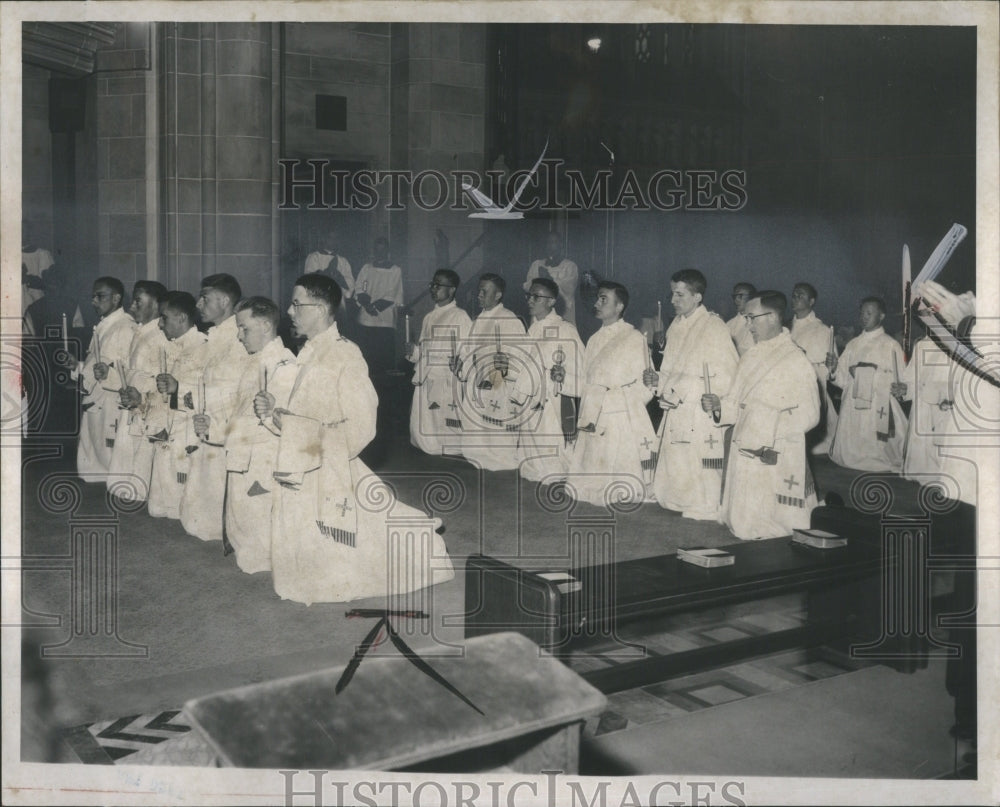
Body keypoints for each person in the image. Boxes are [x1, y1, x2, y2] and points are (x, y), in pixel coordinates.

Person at [259, 274, 455, 604]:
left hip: (329, 465)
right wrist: (275, 415)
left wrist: (310, 441)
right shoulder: (307, 352)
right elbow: (303, 413)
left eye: (296, 304)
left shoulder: (345, 354)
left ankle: (423, 546)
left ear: (320, 309)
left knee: (363, 548)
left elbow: (363, 424)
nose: (290, 311)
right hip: (303, 462)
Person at [701, 291, 820, 540]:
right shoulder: (751, 355)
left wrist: (768, 425)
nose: (748, 325)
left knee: (773, 522)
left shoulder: (795, 358)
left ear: (774, 318)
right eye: (746, 318)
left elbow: (811, 414)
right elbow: (736, 401)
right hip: (744, 443)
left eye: (752, 318)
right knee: (742, 521)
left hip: (773, 447)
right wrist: (719, 406)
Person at [646, 270, 738, 520]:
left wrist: (686, 390)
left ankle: (704, 501)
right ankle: (675, 496)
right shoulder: (676, 325)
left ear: (697, 296)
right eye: (672, 294)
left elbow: (729, 374)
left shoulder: (713, 325)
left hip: (698, 407)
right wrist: (659, 381)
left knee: (698, 465)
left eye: (680, 294)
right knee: (676, 460)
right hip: (675, 405)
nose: (673, 300)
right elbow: (670, 369)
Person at [223, 297, 297, 574]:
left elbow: (289, 421)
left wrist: (272, 410)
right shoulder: (255, 360)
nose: (239, 336)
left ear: (266, 325)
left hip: (264, 458)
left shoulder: (283, 364)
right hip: (243, 452)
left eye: (244, 329)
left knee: (259, 521)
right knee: (242, 518)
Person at [566, 281, 656, 506]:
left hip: (618, 416)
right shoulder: (594, 339)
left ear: (619, 306)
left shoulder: (633, 338)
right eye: (598, 298)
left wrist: (617, 401)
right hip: (593, 412)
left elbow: (648, 385)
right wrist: (562, 379)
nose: (597, 303)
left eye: (604, 299)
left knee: (616, 484)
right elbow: (586, 383)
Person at [179, 274, 253, 543]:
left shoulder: (240, 336)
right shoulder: (213, 336)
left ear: (224, 301)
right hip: (206, 425)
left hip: (227, 428)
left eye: (205, 298)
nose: (198, 305)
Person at [61, 277, 137, 482]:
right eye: (93, 296)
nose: (94, 301)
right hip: (95, 400)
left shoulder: (125, 327)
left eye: (100, 296)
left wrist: (107, 376)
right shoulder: (106, 325)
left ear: (116, 298)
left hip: (110, 403)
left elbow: (127, 371)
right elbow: (95, 366)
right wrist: (77, 366)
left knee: (111, 461)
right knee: (95, 460)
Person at [451, 273, 527, 471]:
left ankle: (503, 462)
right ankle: (479, 456)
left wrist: (506, 368)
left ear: (498, 295)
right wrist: (460, 365)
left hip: (499, 381)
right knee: (477, 430)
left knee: (497, 430)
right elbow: (469, 352)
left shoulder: (509, 319)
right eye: (479, 290)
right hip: (477, 381)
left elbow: (522, 356)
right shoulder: (478, 320)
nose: (479, 295)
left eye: (485, 291)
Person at [512, 277, 585, 482]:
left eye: (537, 296)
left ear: (552, 301)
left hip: (552, 399)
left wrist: (562, 378)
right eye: (529, 295)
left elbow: (582, 369)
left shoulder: (565, 329)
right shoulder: (533, 328)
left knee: (553, 457)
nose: (530, 300)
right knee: (532, 455)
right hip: (530, 398)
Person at [827, 296, 907, 472]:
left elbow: (899, 382)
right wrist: (833, 369)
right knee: (849, 456)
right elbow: (843, 380)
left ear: (882, 316)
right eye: (862, 313)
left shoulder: (890, 344)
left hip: (878, 405)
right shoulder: (853, 344)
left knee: (877, 455)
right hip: (852, 407)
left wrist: (866, 373)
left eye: (869, 313)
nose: (864, 317)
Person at [106, 280, 169, 502]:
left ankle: (142, 491)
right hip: (132, 400)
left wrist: (140, 393)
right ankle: (129, 488)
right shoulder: (140, 331)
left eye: (138, 302)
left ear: (156, 304)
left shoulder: (161, 335)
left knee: (144, 450)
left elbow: (161, 376)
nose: (132, 307)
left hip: (147, 402)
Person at [147, 292, 208, 520]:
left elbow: (206, 390)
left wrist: (178, 387)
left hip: (187, 426)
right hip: (168, 422)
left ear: (181, 318)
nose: (160, 324)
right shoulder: (171, 345)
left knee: (183, 498)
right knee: (161, 502)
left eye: (164, 318)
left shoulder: (203, 346)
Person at [406, 268, 472, 456]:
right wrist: (414, 352)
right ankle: (430, 447)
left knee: (445, 418)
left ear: (451, 290)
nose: (433, 288)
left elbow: (466, 349)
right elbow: (424, 350)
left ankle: (452, 449)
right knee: (427, 422)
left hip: (445, 375)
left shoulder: (460, 315)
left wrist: (458, 364)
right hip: (428, 373)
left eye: (439, 285)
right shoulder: (429, 316)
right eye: (432, 284)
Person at [789, 282, 840, 455]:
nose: (796, 298)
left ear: (811, 301)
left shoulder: (822, 329)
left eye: (801, 295)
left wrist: (831, 367)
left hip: (812, 385)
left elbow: (832, 369)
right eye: (794, 294)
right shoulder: (785, 328)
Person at [354, 237, 404, 376]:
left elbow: (392, 292)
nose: (379, 253)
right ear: (374, 251)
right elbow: (359, 287)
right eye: (377, 250)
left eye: (383, 250)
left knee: (384, 358)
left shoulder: (395, 270)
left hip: (385, 318)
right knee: (366, 357)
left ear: (387, 251)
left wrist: (374, 307)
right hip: (366, 317)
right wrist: (366, 304)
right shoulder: (367, 268)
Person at [523, 231, 580, 326]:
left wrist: (549, 278)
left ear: (561, 245)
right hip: (540, 309)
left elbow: (569, 288)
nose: (550, 245)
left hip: (563, 310)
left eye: (553, 242)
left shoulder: (570, 266)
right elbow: (527, 286)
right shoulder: (537, 264)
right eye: (548, 242)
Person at [725, 282, 756, 356]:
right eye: (734, 297)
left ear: (752, 297)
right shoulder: (729, 324)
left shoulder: (759, 322)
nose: (736, 300)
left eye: (740, 296)